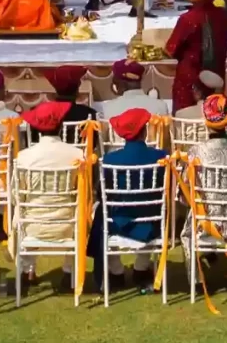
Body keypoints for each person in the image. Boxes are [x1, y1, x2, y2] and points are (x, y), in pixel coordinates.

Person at [10, 100, 87, 286]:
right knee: (79, 211)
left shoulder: (24, 156)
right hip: (68, 225)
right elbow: (82, 193)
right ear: (61, 126)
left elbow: (15, 195)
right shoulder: (77, 154)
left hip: (32, 226)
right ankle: (69, 272)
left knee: (21, 209)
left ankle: (26, 269)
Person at [93, 106, 165, 271]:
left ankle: (116, 270)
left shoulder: (109, 160)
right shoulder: (161, 157)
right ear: (145, 131)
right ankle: (141, 267)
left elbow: (101, 194)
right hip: (151, 222)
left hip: (118, 223)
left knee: (99, 210)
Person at [164, 0, 227, 102]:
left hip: (191, 82)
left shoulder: (187, 19)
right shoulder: (222, 15)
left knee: (186, 119)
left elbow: (170, 49)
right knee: (214, 115)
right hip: (216, 79)